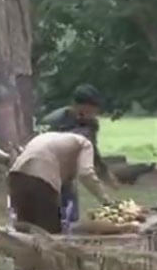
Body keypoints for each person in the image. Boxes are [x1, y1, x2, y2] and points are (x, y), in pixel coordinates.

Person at [7, 130, 113, 270]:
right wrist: (107, 201)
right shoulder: (84, 143)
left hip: (16, 177)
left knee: (25, 238)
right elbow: (86, 173)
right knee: (50, 239)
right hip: (41, 181)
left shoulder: (49, 138)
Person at [40, 84, 119, 226]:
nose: (92, 114)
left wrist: (105, 174)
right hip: (46, 172)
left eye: (94, 110)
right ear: (76, 105)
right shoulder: (52, 122)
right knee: (51, 219)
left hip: (68, 176)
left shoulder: (91, 124)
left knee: (71, 217)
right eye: (88, 110)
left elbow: (92, 150)